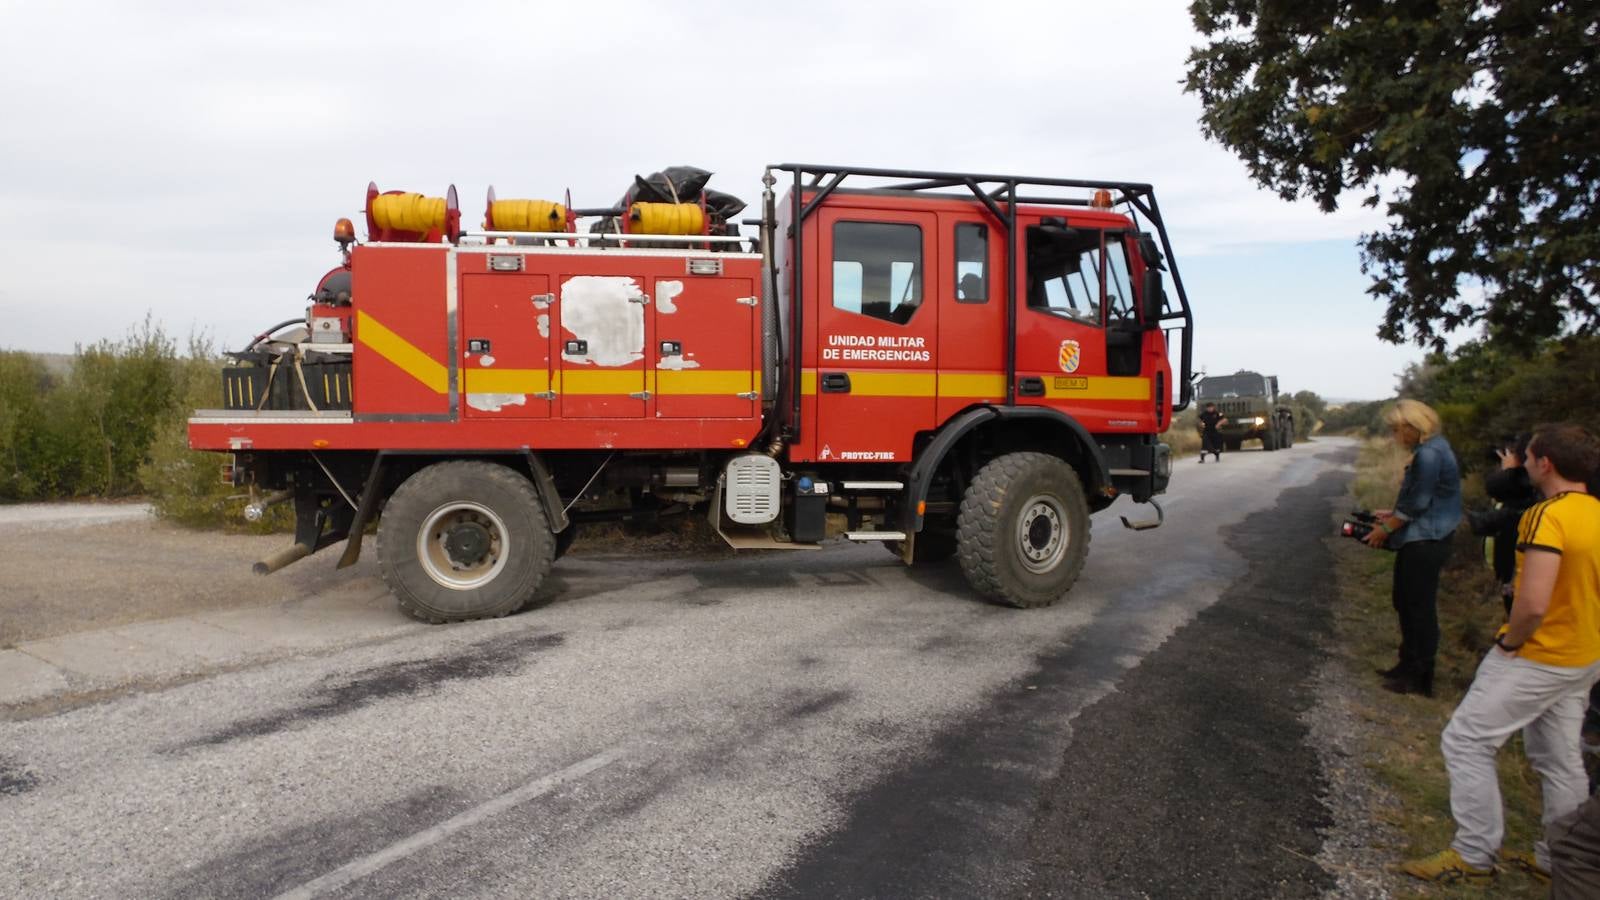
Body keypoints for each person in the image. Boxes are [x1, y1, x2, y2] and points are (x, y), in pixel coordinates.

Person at [1401, 423, 1600, 886]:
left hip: (1537, 654)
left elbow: (1532, 604)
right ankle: (1559, 856)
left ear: (1545, 463)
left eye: (1527, 457)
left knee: (1466, 739)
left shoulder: (1545, 516)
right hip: (1583, 656)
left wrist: (1510, 643)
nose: (1522, 463)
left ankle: (1473, 852)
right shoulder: (1594, 512)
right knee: (1559, 757)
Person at [1365, 399, 1463, 696]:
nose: (1395, 436)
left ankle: (1419, 675)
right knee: (1405, 601)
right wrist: (1392, 513)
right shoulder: (1434, 449)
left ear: (1412, 427)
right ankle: (1407, 664)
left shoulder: (1429, 455)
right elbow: (1422, 499)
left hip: (1426, 539)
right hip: (1426, 535)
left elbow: (1418, 504)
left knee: (1417, 607)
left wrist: (1384, 530)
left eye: (1397, 430)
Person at [1468, 433, 1542, 614]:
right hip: (1510, 566)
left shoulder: (1528, 490)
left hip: (1519, 572)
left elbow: (1496, 492)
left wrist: (1510, 472)